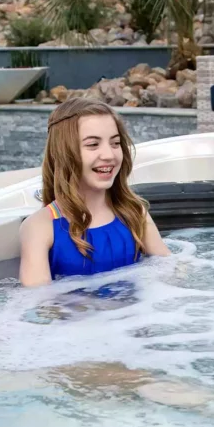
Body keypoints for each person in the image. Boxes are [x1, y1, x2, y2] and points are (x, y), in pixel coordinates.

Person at [19, 97, 170, 286]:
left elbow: (168, 270)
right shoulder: (39, 227)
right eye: (92, 145)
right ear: (64, 153)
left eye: (115, 143)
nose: (109, 155)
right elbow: (38, 304)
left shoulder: (134, 213)